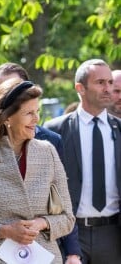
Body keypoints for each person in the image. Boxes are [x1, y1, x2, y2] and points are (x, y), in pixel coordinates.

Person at [0, 62, 82, 264]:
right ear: (8, 117)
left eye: (37, 111)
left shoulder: (48, 151)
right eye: (28, 113)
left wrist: (42, 223)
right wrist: (5, 231)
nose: (36, 119)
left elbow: (67, 218)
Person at [44, 59, 121, 263]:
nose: (108, 89)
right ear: (80, 88)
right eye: (100, 83)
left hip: (113, 234)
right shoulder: (54, 131)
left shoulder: (119, 129)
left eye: (110, 82)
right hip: (68, 233)